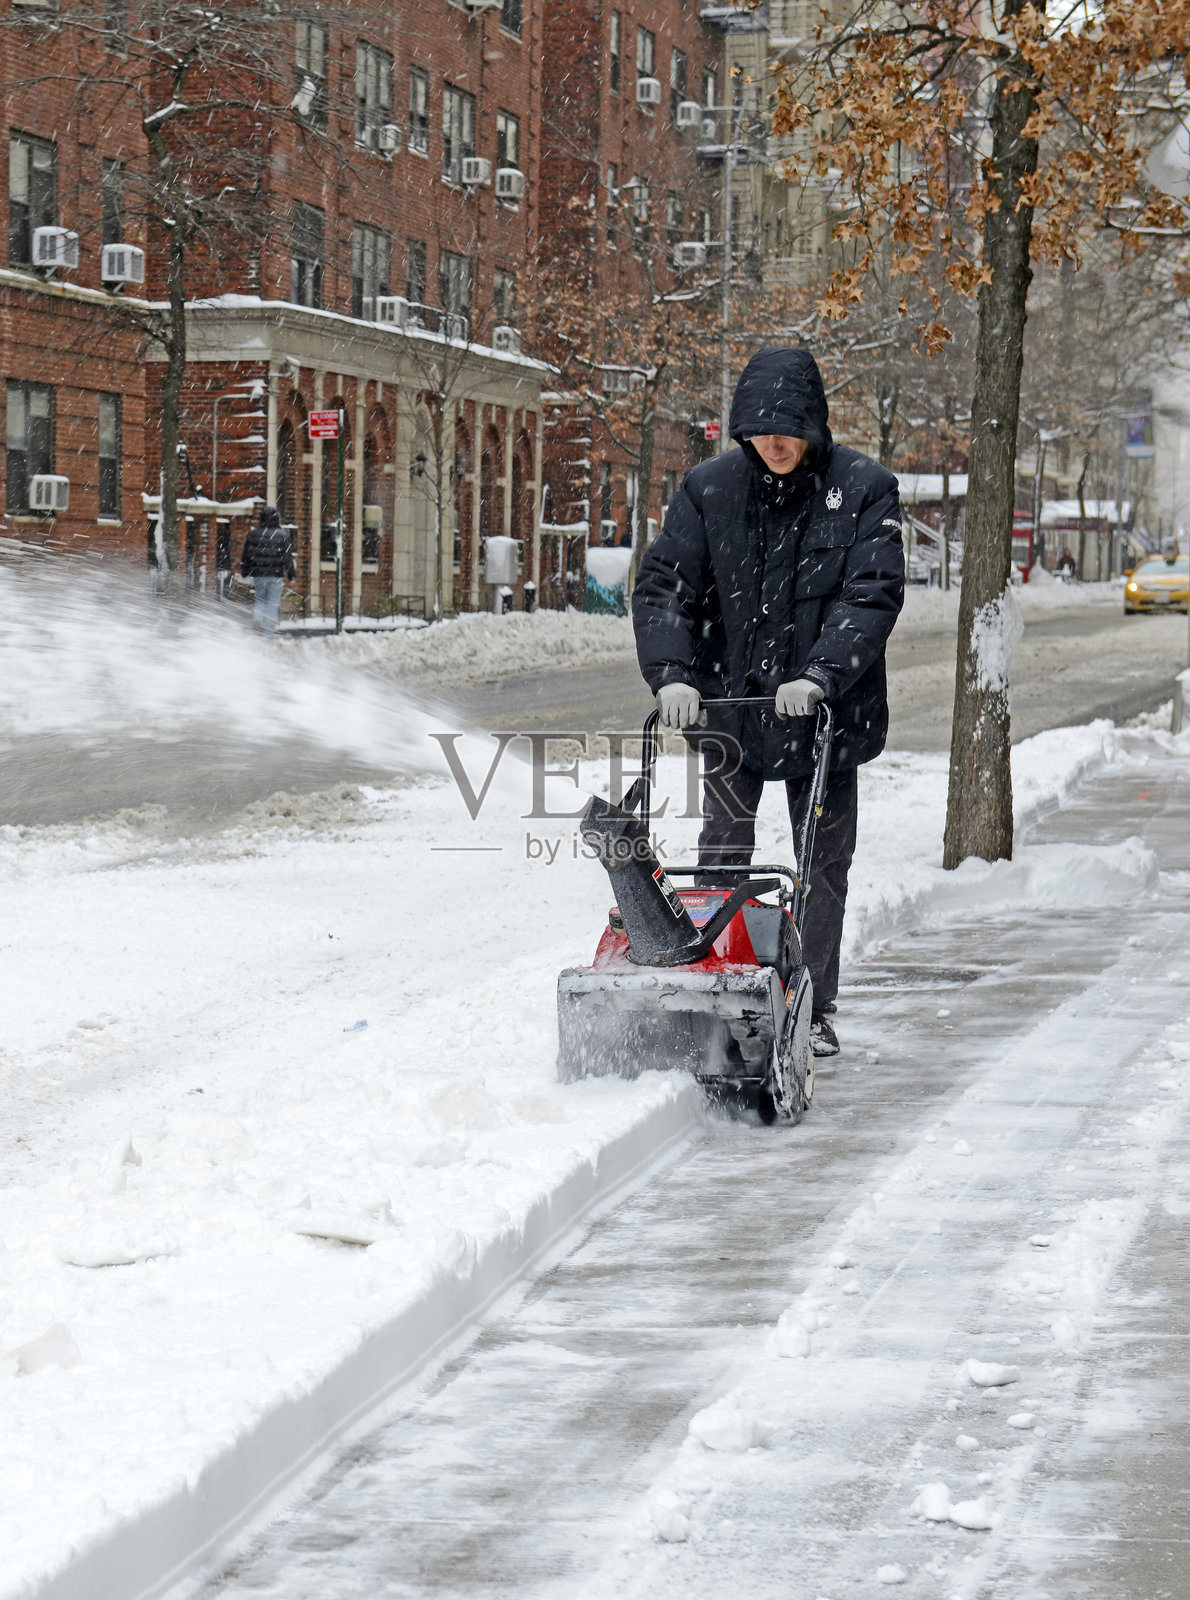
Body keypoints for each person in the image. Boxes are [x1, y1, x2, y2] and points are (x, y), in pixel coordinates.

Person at [632, 347, 905, 1058]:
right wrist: (673, 675)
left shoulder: (865, 488)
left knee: (821, 863)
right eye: (760, 432)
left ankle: (810, 1004)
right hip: (732, 706)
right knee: (721, 853)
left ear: (814, 425)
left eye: (788, 430)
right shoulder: (708, 490)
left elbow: (870, 594)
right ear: (741, 430)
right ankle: (719, 989)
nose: (775, 444)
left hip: (826, 716)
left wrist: (819, 674)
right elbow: (666, 586)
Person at [241, 505, 295, 633]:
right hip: (275, 575)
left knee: (260, 600)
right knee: (272, 604)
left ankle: (258, 619)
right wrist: (291, 576)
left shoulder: (253, 534)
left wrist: (245, 571)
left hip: (259, 574)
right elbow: (287, 557)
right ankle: (268, 634)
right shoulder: (282, 535)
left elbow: (246, 555)